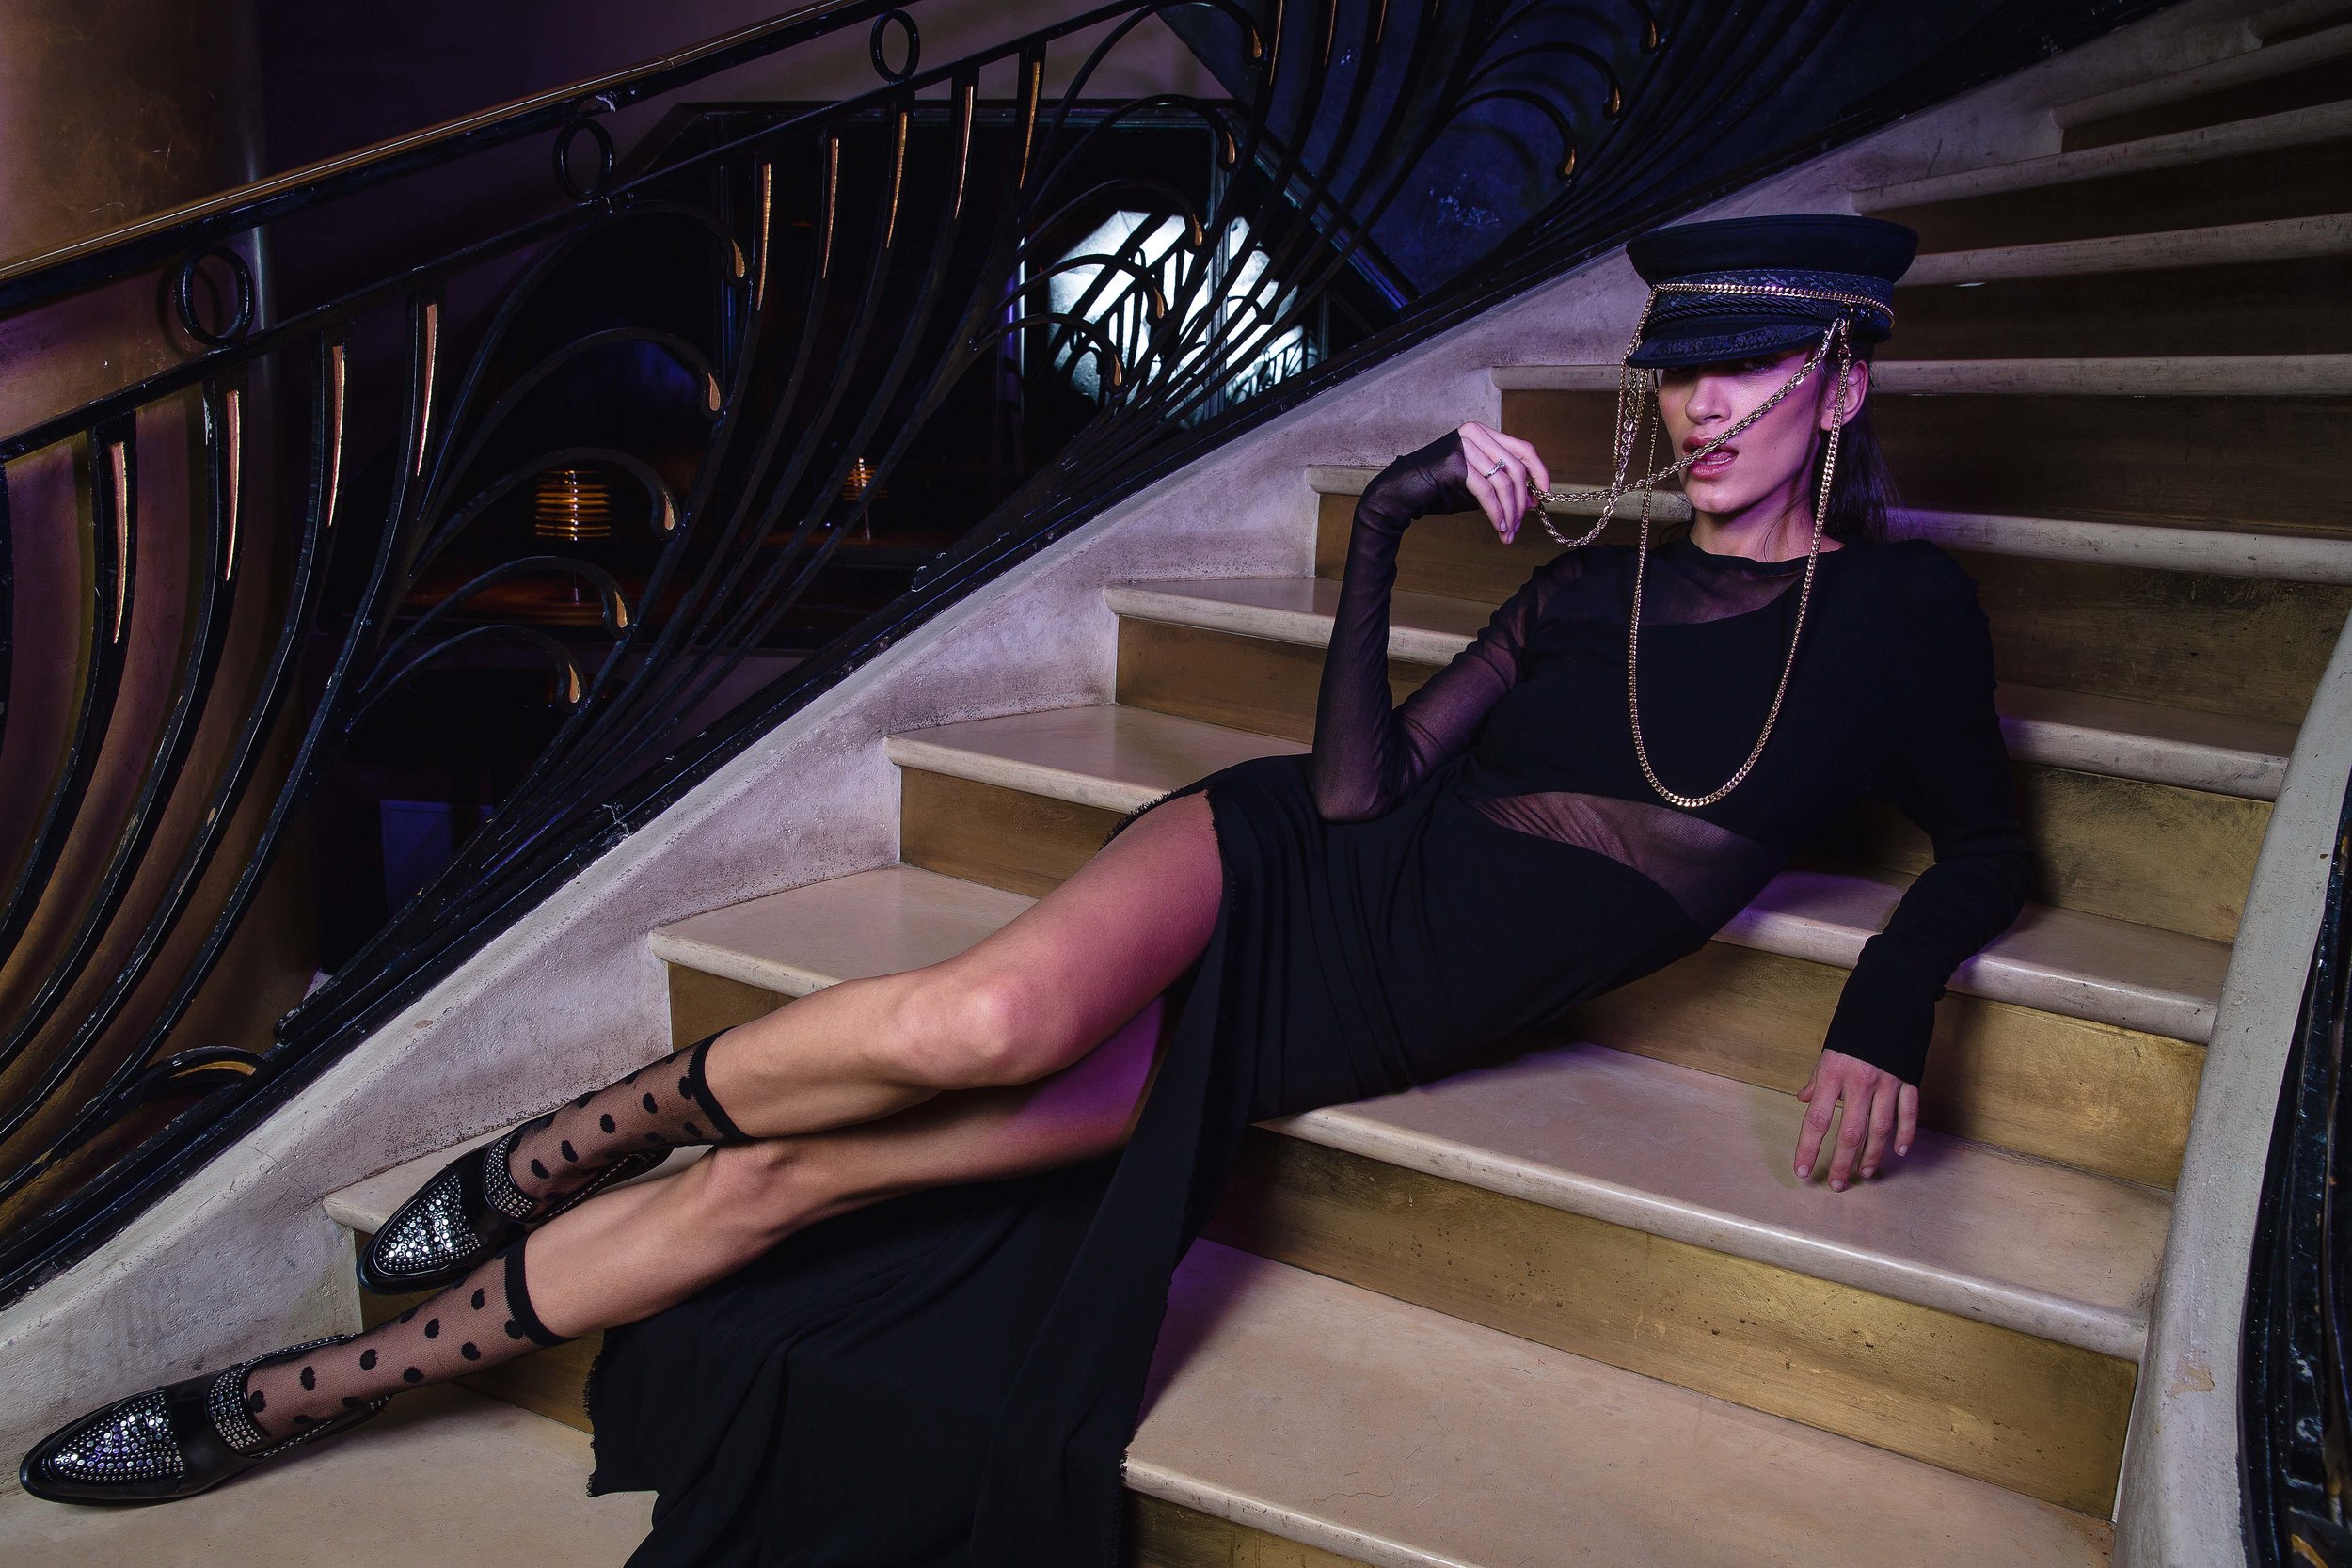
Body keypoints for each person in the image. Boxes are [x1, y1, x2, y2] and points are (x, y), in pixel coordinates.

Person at [18, 213, 2034, 1566]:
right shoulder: (1587, 588)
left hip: (1333, 1017)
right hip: (1270, 873)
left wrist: (1884, 999)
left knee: (794, 1187)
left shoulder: (1904, 624)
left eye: (1747, 373)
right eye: (1680, 373)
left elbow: (1990, 845)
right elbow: (1352, 799)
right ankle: (480, 1215)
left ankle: (341, 1353)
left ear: (1843, 382)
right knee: (980, 1018)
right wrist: (1383, 535)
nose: (1701, 410)